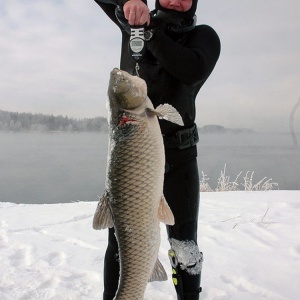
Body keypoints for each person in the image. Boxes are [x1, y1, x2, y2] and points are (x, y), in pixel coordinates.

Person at [93, 0, 221, 299]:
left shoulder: (203, 37)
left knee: (184, 244)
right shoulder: (133, 23)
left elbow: (191, 69)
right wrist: (128, 2)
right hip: (131, 156)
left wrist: (152, 33)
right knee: (120, 241)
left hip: (180, 156)